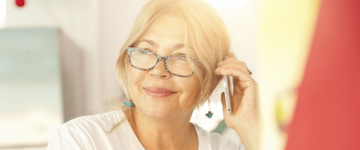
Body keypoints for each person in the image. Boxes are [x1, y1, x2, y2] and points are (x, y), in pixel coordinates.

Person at [46, 0, 260, 149]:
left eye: (181, 57)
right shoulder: (81, 141)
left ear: (211, 78)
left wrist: (250, 127)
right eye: (146, 52)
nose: (158, 71)